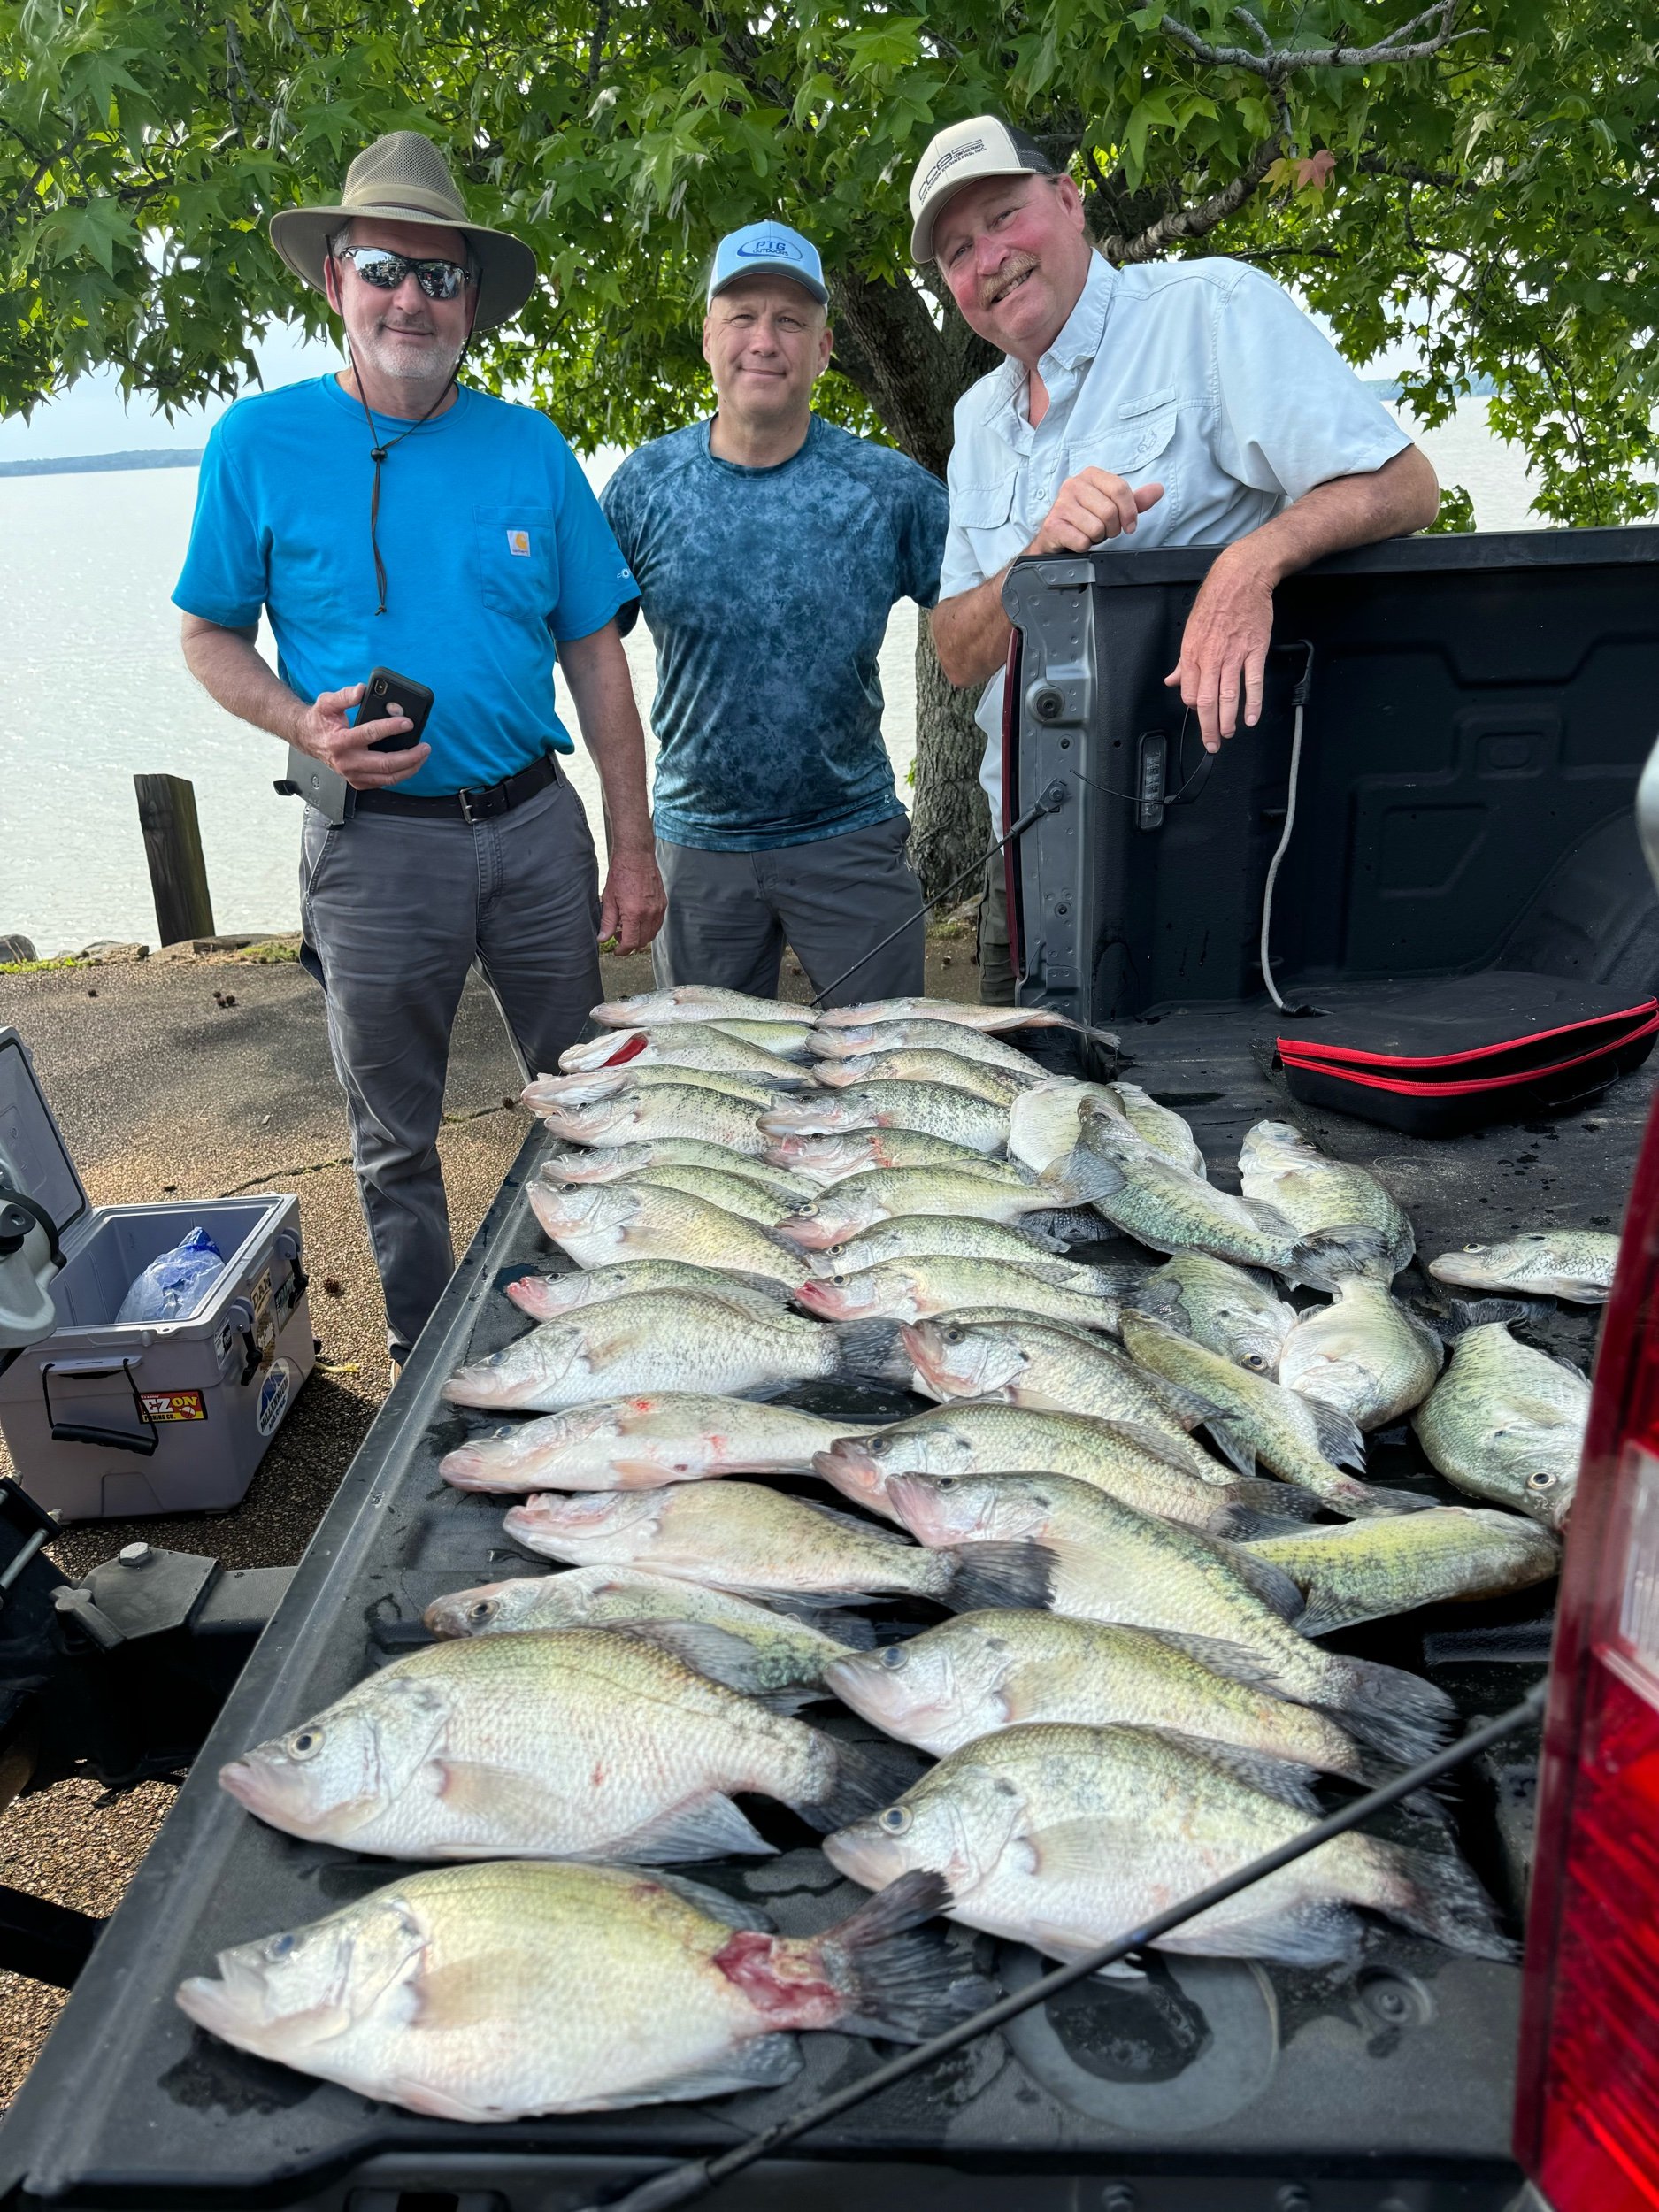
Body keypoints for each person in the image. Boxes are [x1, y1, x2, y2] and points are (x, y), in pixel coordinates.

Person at [173, 131, 664, 1370]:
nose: (412, 298)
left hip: (535, 831)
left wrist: (632, 844)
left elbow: (597, 657)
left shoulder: (531, 447)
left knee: (591, 1106)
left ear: (469, 303)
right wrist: (300, 722)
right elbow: (207, 633)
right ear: (334, 279)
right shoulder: (256, 443)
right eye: (385, 266)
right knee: (394, 1137)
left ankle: (594, 1341)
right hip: (373, 853)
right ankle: (426, 1357)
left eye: (440, 277)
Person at [909, 117, 1441, 1003]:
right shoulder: (973, 425)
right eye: (959, 250)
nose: (990, 257)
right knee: (1034, 1122)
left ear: (1072, 201)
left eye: (1005, 215)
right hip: (1028, 858)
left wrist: (1251, 563)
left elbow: (1405, 486)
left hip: (1199, 851)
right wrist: (1038, 557)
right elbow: (960, 650)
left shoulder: (1209, 309)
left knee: (1196, 1115)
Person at [600, 219, 949, 1007]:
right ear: (707, 339)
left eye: (790, 320)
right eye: (742, 316)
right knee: (707, 1092)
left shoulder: (888, 489)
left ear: (824, 350)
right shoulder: (643, 487)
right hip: (697, 848)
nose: (765, 339)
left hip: (850, 841)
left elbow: (987, 615)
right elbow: (583, 652)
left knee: (881, 1078)